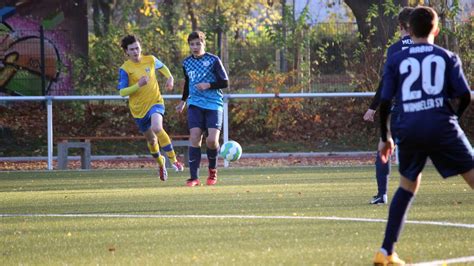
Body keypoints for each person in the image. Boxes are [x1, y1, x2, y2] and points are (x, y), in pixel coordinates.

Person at [373, 6, 474, 265]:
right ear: (436, 30)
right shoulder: (446, 57)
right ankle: (387, 252)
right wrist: (452, 118)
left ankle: (385, 252)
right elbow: (464, 96)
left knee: (407, 186)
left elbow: (385, 102)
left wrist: (386, 137)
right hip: (441, 126)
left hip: (408, 127)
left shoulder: (396, 59)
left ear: (408, 29)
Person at [363, 7, 414, 205]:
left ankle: (382, 193)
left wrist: (373, 107)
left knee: (384, 147)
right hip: (429, 110)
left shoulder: (395, 50)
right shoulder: (432, 48)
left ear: (400, 26)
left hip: (402, 109)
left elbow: (386, 82)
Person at [117, 34, 184, 181]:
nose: (136, 52)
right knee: (152, 141)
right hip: (138, 110)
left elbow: (163, 67)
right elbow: (122, 92)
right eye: (132, 49)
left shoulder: (150, 59)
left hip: (156, 102)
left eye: (137, 48)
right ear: (126, 52)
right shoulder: (125, 69)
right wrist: (138, 85)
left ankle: (175, 161)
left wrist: (170, 78)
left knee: (157, 127)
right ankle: (161, 163)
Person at [175, 31, 229, 187]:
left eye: (198, 43)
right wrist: (183, 101)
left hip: (213, 104)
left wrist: (209, 85)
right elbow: (187, 83)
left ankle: (212, 170)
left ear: (203, 43)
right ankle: (193, 178)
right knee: (195, 137)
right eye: (192, 44)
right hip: (195, 104)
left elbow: (225, 82)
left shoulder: (213, 60)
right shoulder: (186, 63)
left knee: (212, 140)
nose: (195, 46)